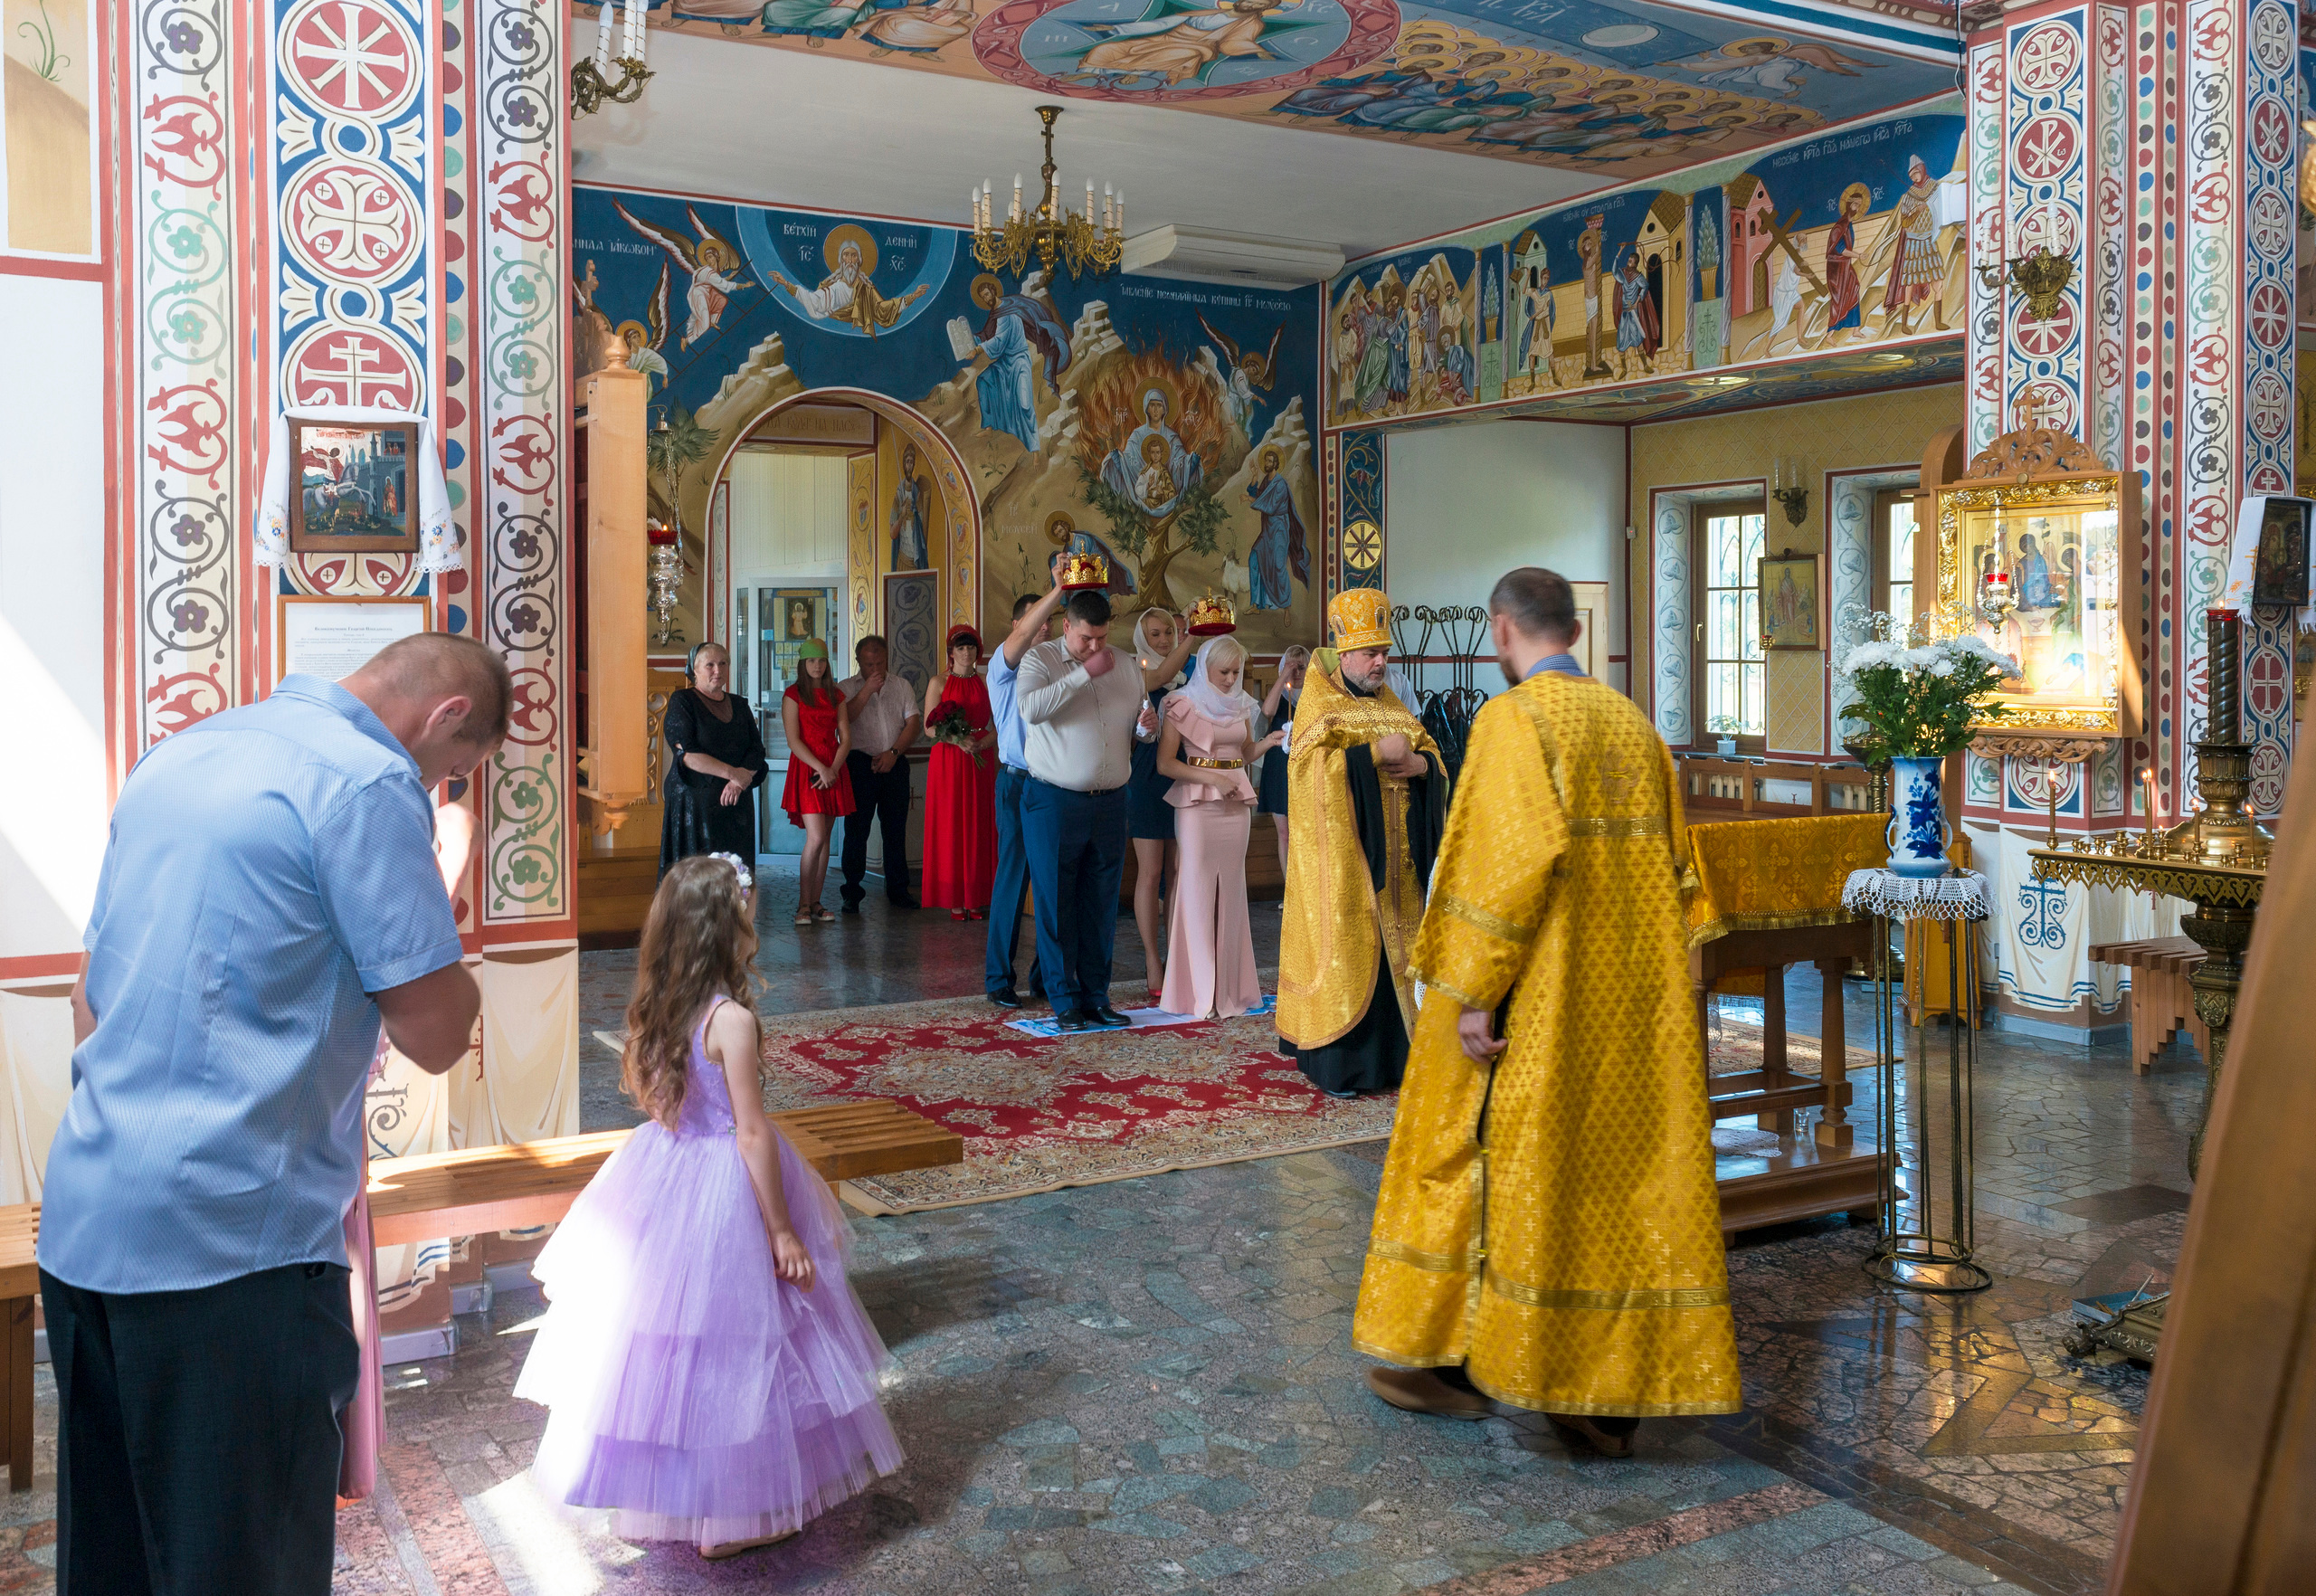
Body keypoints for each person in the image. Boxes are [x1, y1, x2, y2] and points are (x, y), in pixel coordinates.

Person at [42, 632, 506, 1591]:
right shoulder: (368, 784)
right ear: (447, 716)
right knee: (246, 1566)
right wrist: (446, 872)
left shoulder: (181, 754)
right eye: (454, 770)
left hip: (88, 1216)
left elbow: (88, 1002)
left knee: (115, 1562)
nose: (440, 787)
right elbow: (434, 1032)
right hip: (231, 1251)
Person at [1353, 566, 1739, 1455]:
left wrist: (1473, 990)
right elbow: (1685, 877)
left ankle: (1455, 1361)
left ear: (1501, 630)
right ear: (1576, 630)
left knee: (1488, 1158)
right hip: (1633, 1006)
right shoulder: (1634, 723)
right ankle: (1607, 1393)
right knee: (1611, 1184)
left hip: (1544, 999)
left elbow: (1503, 870)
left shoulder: (1513, 721)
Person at [515, 854, 903, 1559]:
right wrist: (781, 1229)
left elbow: (667, 1107)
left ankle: (683, 1497)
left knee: (677, 1349)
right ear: (726, 928)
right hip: (727, 1186)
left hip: (669, 1172)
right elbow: (751, 1132)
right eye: (746, 907)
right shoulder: (731, 1021)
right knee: (742, 1345)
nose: (754, 916)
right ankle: (736, 1518)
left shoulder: (662, 1006)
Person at [1276, 589, 1447, 1097]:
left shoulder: (1391, 702)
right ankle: (1345, 1067)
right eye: (1371, 653)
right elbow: (1306, 774)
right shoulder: (1320, 703)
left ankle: (1399, 1058)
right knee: (1351, 958)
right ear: (1345, 652)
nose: (1380, 663)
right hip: (1348, 863)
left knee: (1403, 959)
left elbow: (1432, 754)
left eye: (1384, 653)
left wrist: (1420, 764)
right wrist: (1370, 754)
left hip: (1401, 868)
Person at [1018, 588, 1167, 1032]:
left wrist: (1147, 728)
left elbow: (1138, 728)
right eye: (1086, 638)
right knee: (1056, 901)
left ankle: (1097, 996)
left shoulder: (1125, 664)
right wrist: (1083, 673)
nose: (1096, 647)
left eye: (1102, 638)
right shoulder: (1040, 660)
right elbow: (1030, 710)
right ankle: (1064, 999)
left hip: (1111, 800)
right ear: (1067, 627)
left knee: (1102, 903)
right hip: (1054, 799)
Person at [1156, 637, 1281, 1018]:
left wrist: (1269, 742)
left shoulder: (1241, 703)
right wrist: (1213, 779)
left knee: (1233, 892)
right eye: (1223, 672)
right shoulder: (1180, 703)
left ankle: (1229, 989)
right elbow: (1165, 764)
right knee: (1196, 891)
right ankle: (1199, 993)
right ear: (1205, 668)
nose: (1230, 679)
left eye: (1235, 672)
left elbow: (1244, 753)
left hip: (1235, 805)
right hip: (1197, 807)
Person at [661, 641, 771, 878]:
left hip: (736, 800)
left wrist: (738, 782)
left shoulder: (740, 704)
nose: (717, 670)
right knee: (699, 874)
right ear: (695, 669)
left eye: (723, 664)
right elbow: (688, 756)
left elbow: (756, 750)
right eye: (709, 665)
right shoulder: (682, 701)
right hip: (696, 801)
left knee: (736, 871)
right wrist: (733, 774)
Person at [1126, 609, 1190, 1000]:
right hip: (1147, 779)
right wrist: (1140, 729)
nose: (1164, 639)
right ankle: (1153, 959)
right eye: (1156, 633)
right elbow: (1123, 738)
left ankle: (1177, 956)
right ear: (1142, 637)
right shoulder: (1134, 674)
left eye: (1169, 632)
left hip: (1182, 776)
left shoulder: (1189, 677)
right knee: (1151, 874)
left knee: (1178, 871)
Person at [837, 635, 922, 913]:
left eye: (880, 663)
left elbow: (913, 723)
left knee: (895, 830)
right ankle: (852, 892)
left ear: (887, 659)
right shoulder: (845, 688)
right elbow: (846, 718)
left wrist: (893, 753)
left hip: (894, 761)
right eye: (869, 664)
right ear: (858, 661)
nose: (875, 669)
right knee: (856, 830)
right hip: (859, 764)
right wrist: (867, 690)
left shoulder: (901, 685)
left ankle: (898, 890)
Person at [923, 625, 998, 920]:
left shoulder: (988, 682)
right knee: (951, 824)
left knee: (979, 823)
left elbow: (1000, 724)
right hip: (949, 760)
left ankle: (976, 897)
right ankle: (954, 898)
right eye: (961, 648)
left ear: (978, 652)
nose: (966, 653)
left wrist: (983, 743)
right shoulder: (938, 682)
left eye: (971, 648)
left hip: (980, 755)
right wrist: (957, 739)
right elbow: (930, 728)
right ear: (951, 653)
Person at [780, 639, 855, 926]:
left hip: (833, 768)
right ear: (803, 663)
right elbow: (793, 740)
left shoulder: (837, 695)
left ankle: (815, 902)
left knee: (825, 839)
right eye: (812, 660)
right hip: (808, 768)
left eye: (822, 660)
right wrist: (821, 768)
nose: (817, 665)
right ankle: (802, 904)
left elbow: (845, 739)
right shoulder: (793, 695)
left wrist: (833, 768)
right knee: (816, 837)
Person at [1258, 645, 1308, 878]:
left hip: (1305, 766)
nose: (1296, 673)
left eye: (1301, 667)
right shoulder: (1280, 694)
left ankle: (1305, 885)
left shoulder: (1314, 695)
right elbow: (1268, 711)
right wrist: (1283, 677)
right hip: (1279, 766)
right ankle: (1289, 888)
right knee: (1284, 832)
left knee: (1305, 832)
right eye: (1291, 667)